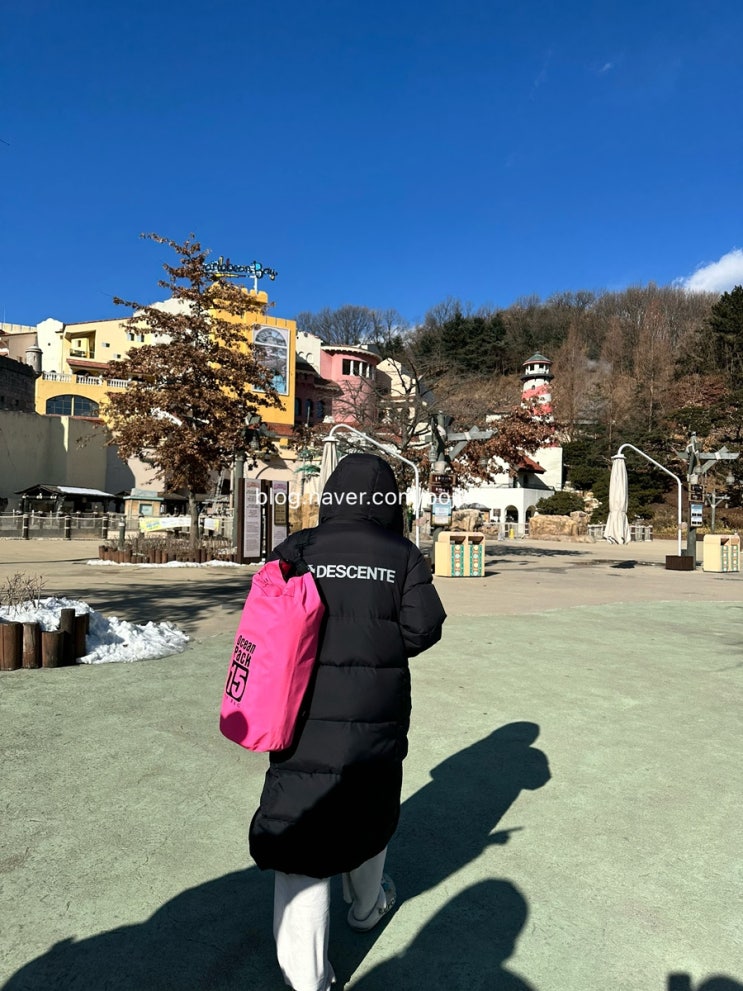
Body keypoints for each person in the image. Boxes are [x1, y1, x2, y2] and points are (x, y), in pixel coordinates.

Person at [249, 453, 446, 991]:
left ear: (333, 496)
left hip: (297, 708)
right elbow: (423, 628)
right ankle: (366, 907)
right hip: (374, 709)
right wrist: (376, 641)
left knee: (301, 833)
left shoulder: (299, 547)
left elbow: (264, 619)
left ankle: (307, 978)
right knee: (369, 806)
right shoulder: (401, 554)